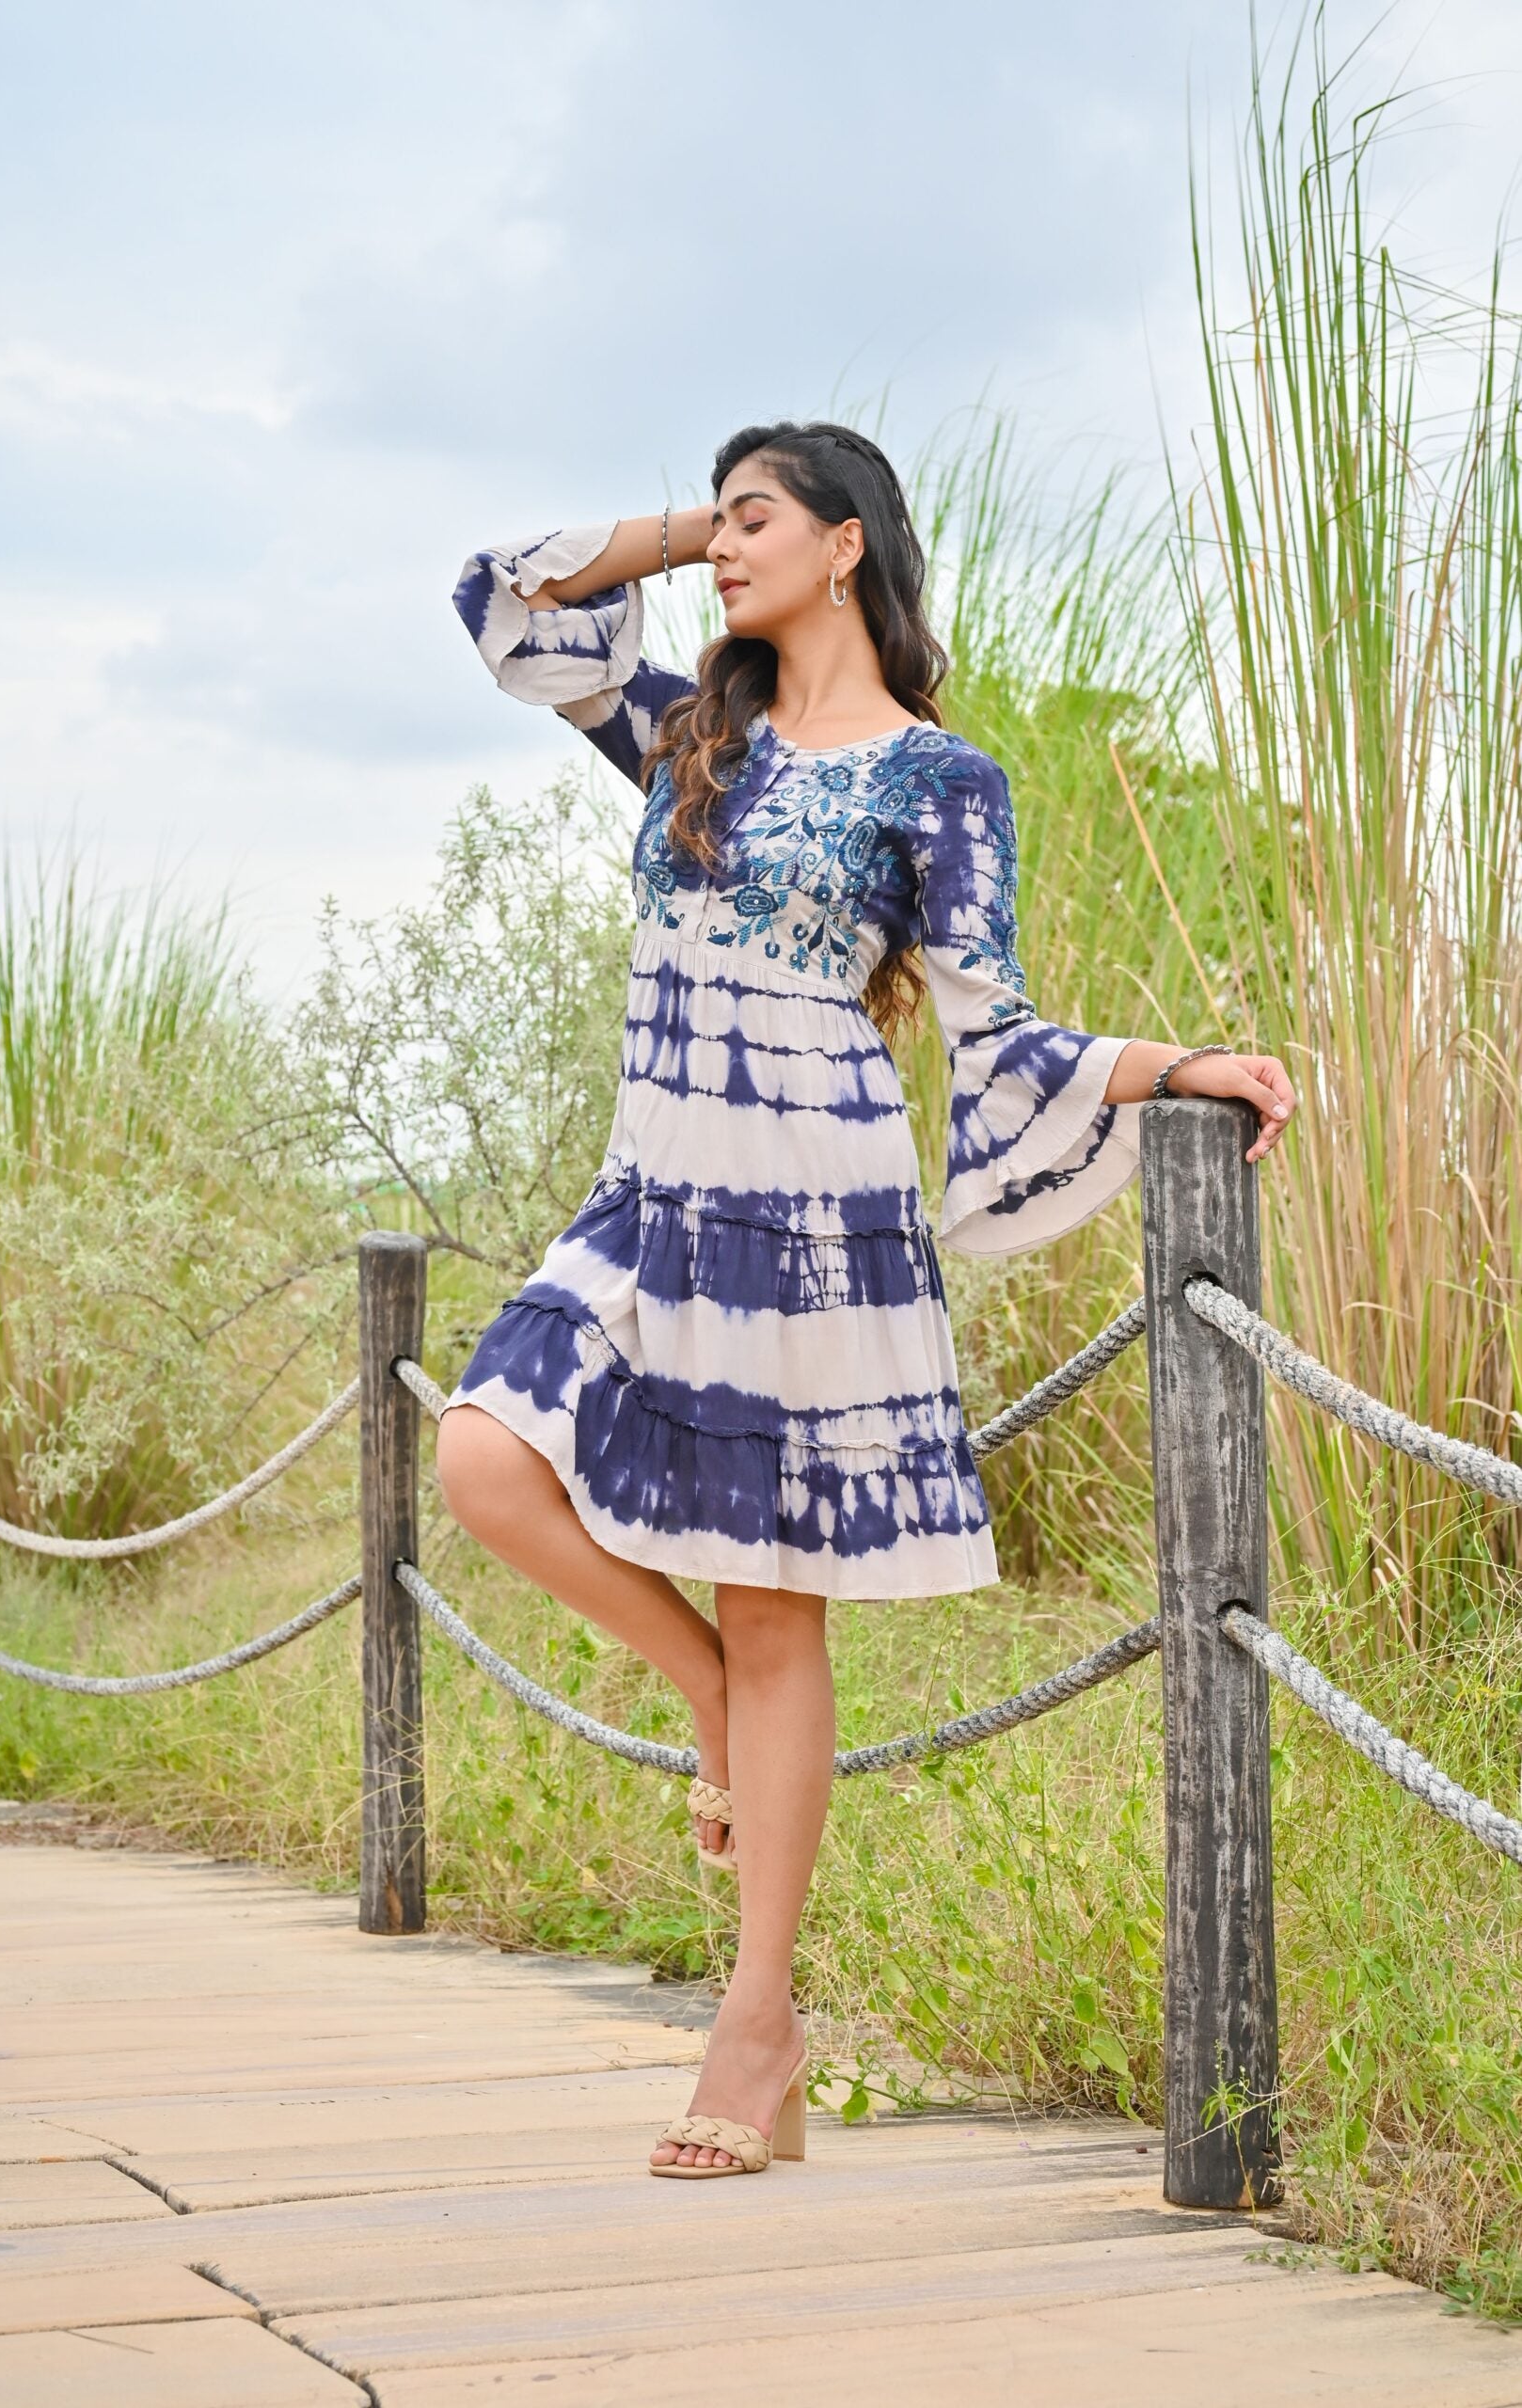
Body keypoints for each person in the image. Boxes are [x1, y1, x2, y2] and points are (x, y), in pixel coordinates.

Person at [438, 420, 1296, 2180]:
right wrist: (694, 530)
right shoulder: (693, 734)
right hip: (653, 1181)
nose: (723, 549)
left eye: (761, 522)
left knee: (780, 1615)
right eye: (719, 523)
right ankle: (701, 1708)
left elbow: (1001, 1027)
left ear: (849, 547)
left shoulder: (942, 781)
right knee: (483, 1462)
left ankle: (754, 2031)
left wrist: (1179, 1063)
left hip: (815, 1203)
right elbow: (501, 600)